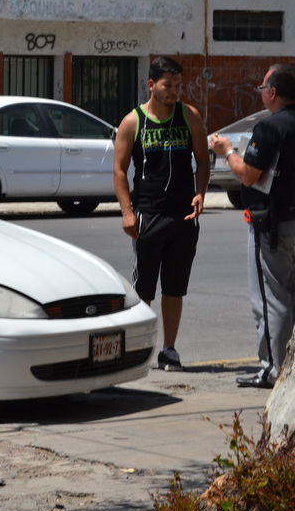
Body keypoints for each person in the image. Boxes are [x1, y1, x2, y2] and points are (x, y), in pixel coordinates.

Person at [113, 56, 210, 371]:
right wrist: (127, 212)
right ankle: (140, 349)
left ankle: (169, 349)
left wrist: (200, 193)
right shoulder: (133, 121)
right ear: (151, 85)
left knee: (175, 287)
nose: (174, 92)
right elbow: (119, 170)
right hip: (148, 214)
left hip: (183, 215)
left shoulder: (189, 116)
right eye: (168, 85)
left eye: (178, 86)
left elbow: (203, 160)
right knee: (144, 289)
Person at [209, 64, 295, 389]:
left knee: (272, 300)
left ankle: (273, 370)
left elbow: (248, 175)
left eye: (262, 88)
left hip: (273, 226)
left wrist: (228, 151)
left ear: (272, 92)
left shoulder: (269, 127)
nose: (260, 93)